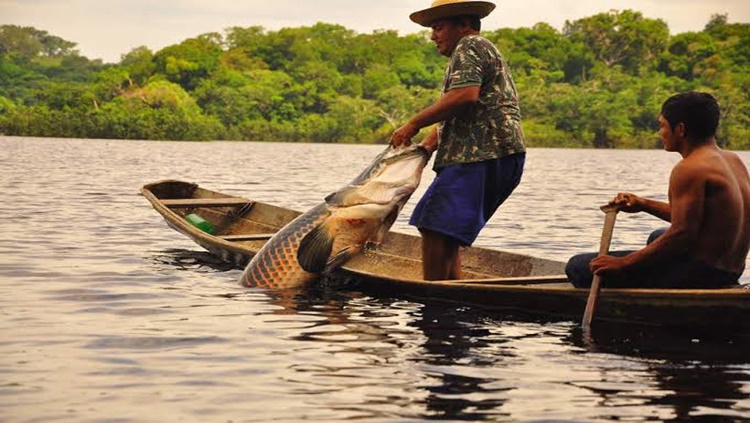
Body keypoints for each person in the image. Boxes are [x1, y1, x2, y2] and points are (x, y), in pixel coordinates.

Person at [389, 0, 527, 281]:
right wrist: (425, 147)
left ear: (464, 24)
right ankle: (452, 292)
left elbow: (464, 97)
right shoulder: (478, 51)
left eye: (438, 27)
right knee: (445, 234)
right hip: (496, 156)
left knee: (434, 226)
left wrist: (413, 123)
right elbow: (463, 113)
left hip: (480, 156)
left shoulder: (470, 46)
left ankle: (435, 297)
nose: (432, 36)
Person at [566, 92, 750, 289]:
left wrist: (623, 263)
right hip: (730, 269)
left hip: (701, 275)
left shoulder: (690, 168)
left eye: (662, 125)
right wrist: (644, 204)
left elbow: (682, 233)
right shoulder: (733, 160)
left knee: (577, 266)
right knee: (657, 235)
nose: (660, 132)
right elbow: (695, 219)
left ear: (680, 129)